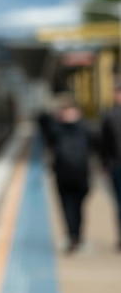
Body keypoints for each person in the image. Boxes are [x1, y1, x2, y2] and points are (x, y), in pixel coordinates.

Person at [49, 95, 96, 253]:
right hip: (76, 175)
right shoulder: (86, 127)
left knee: (71, 206)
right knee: (74, 207)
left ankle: (73, 236)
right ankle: (75, 235)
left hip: (69, 175)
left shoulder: (57, 128)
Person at [100, 82, 121, 250]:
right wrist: (105, 164)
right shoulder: (109, 116)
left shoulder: (109, 116)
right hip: (117, 165)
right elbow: (104, 144)